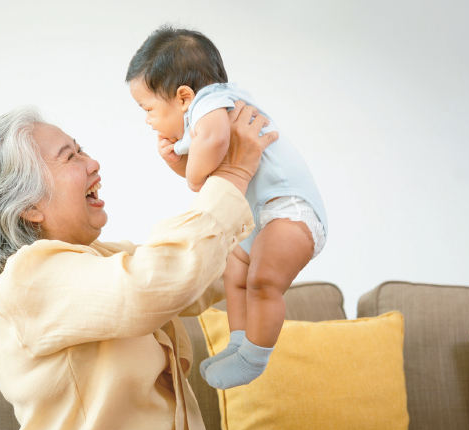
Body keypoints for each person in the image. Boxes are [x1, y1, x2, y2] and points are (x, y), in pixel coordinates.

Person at [0, 102, 275, 430]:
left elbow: (202, 274)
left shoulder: (100, 258)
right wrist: (232, 175)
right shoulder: (25, 280)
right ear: (29, 205)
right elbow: (160, 282)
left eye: (82, 150)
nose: (93, 163)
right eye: (70, 157)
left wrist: (279, 223)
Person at [126, 25, 328, 390]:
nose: (147, 120)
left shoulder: (212, 104)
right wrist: (176, 161)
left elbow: (209, 160)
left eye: (149, 108)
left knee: (262, 282)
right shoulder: (199, 122)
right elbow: (212, 179)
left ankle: (254, 357)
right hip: (257, 218)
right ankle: (238, 344)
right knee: (234, 277)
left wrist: (190, 174)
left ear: (184, 97)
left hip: (288, 209)